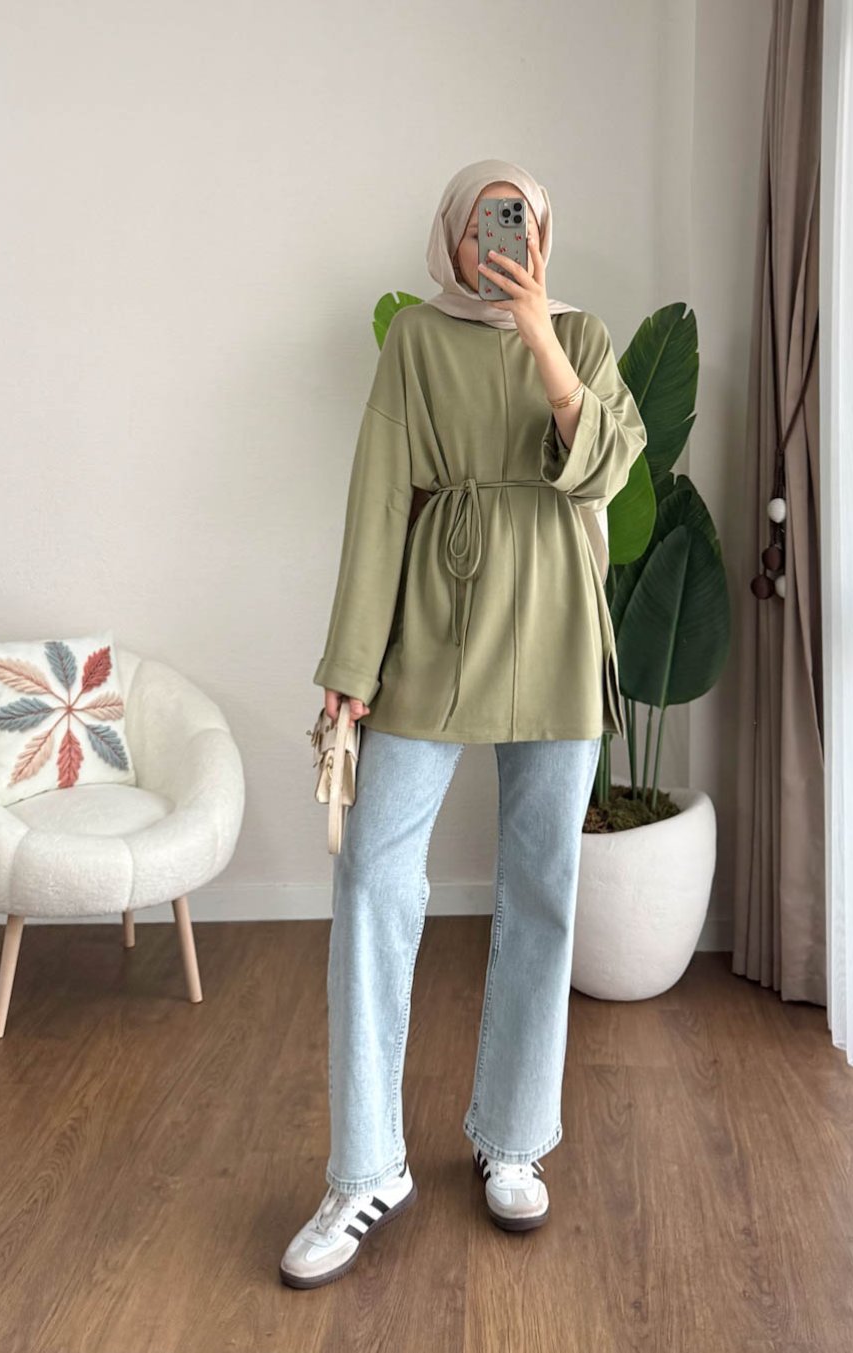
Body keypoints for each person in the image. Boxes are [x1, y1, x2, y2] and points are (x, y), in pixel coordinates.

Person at [280, 158, 648, 1289]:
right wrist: (351, 665)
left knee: (541, 885)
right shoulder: (416, 340)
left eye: (519, 220)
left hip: (558, 623)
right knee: (373, 876)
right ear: (450, 234)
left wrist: (539, 334)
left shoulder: (581, 335)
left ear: (542, 233)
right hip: (437, 618)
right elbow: (378, 496)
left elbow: (607, 468)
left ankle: (513, 1139)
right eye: (486, 220)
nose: (501, 237)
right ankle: (365, 1167)